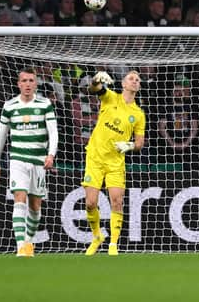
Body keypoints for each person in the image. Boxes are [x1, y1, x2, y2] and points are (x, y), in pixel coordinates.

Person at [0, 68, 58, 257]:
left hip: (38, 161)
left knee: (35, 206)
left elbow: (53, 132)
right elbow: (1, 136)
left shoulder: (45, 104)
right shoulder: (10, 106)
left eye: (31, 80)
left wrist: (51, 154)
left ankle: (28, 241)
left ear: (35, 83)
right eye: (24, 81)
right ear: (18, 84)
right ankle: (21, 246)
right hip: (17, 160)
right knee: (19, 198)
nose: (28, 84)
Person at [82, 70, 146, 256]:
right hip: (95, 157)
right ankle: (97, 237)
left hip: (115, 163)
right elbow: (94, 89)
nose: (134, 81)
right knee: (90, 203)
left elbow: (140, 143)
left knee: (117, 202)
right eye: (131, 79)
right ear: (124, 84)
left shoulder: (138, 114)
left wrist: (129, 145)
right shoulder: (110, 97)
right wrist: (96, 79)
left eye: (137, 80)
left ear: (138, 87)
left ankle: (113, 245)